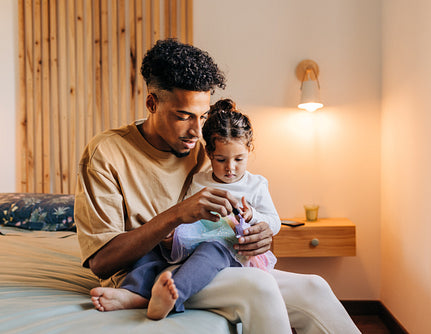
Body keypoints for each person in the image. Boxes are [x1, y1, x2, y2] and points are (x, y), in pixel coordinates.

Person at [75, 38, 360, 334]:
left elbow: (244, 206)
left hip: (213, 264)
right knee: (259, 287)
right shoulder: (106, 153)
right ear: (152, 103)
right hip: (151, 274)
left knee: (315, 286)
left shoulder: (208, 150)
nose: (197, 132)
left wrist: (260, 233)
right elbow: (102, 262)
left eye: (202, 116)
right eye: (184, 116)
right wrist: (176, 214)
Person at [92, 98, 278, 320]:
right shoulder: (199, 178)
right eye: (221, 159)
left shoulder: (255, 184)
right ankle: (133, 291)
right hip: (194, 240)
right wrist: (171, 235)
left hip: (228, 247)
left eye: (239, 159)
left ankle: (173, 297)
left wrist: (254, 216)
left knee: (210, 252)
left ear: (249, 150)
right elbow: (187, 213)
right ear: (209, 153)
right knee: (151, 243)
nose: (230, 167)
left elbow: (274, 221)